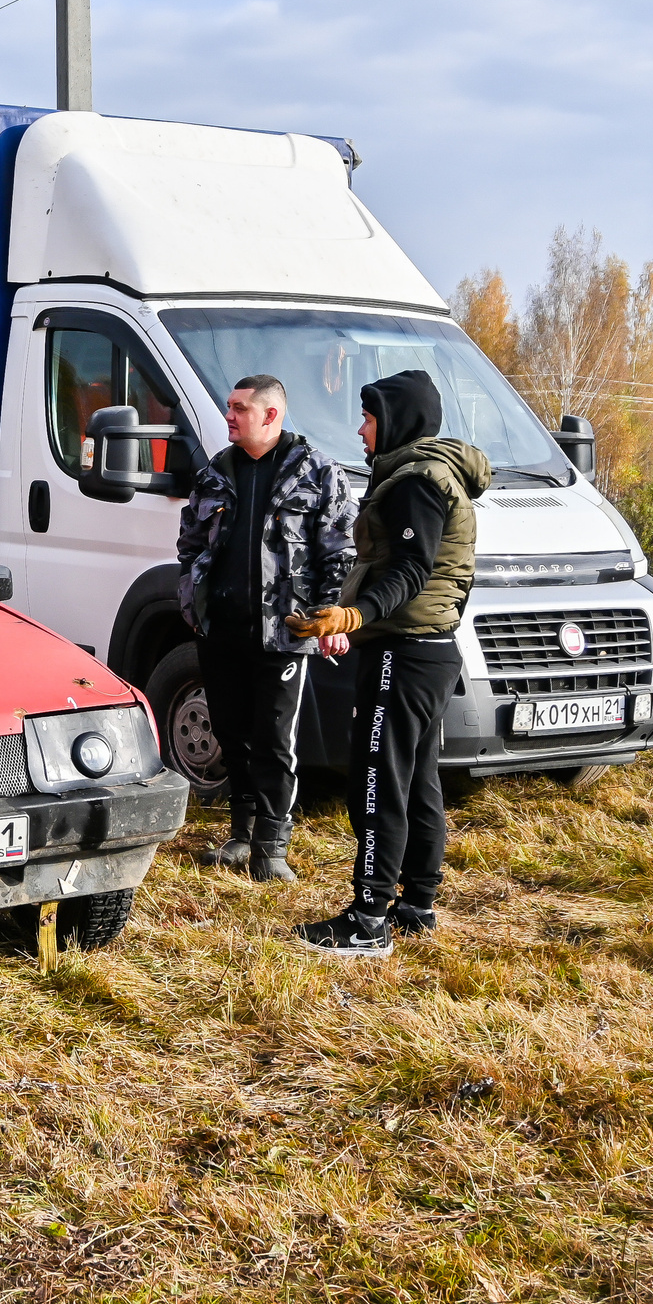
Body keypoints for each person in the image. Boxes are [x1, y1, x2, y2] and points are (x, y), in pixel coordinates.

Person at [285, 369, 491, 956]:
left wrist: (354, 617)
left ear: (396, 420)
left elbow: (410, 570)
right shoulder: (436, 474)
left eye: (369, 418)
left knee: (376, 780)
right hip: (427, 650)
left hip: (403, 654)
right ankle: (417, 904)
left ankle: (368, 919)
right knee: (418, 778)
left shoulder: (416, 483)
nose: (360, 429)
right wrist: (350, 613)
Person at [173, 374, 356, 883]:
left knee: (275, 741)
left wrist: (326, 616)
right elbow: (189, 544)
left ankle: (272, 848)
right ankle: (240, 836)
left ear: (270, 415)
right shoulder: (215, 473)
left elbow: (340, 553)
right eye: (229, 407)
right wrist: (191, 600)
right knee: (233, 736)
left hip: (282, 635)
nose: (228, 416)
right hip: (220, 634)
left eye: (238, 408)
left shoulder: (316, 472)